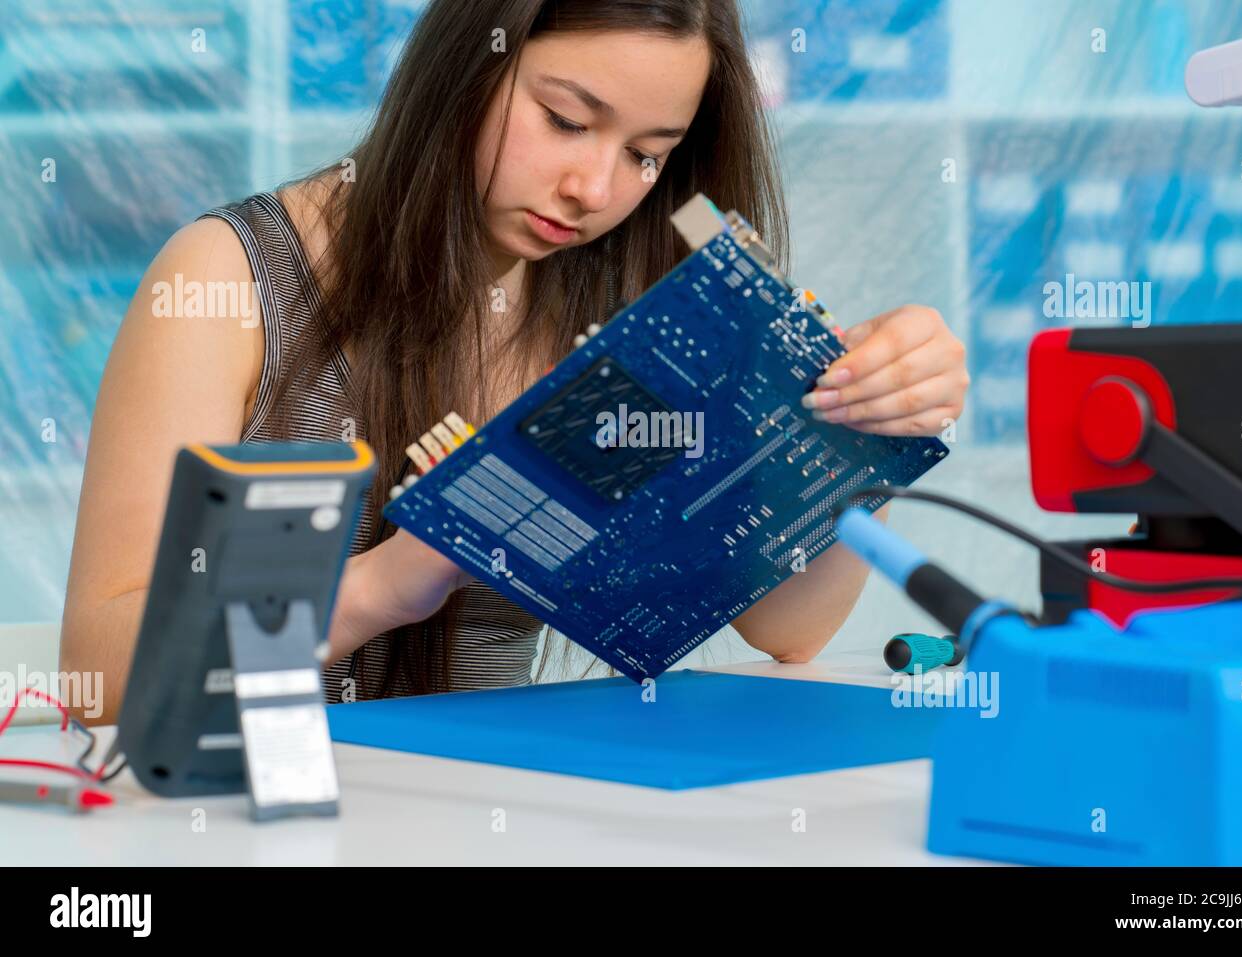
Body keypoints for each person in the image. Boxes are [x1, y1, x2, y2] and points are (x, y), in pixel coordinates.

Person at [61, 0, 969, 725]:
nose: (596, 190)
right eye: (567, 120)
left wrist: (860, 428)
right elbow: (96, 673)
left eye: (646, 156)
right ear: (469, 61)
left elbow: (788, 628)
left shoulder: (625, 317)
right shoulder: (229, 278)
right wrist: (377, 587)